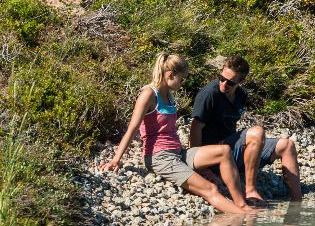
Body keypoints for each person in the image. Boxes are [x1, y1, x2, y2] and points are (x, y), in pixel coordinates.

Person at [99, 53, 257, 214]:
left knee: (224, 151)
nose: (183, 83)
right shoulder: (148, 94)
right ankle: (246, 218)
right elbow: (133, 128)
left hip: (179, 153)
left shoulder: (168, 95)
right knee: (210, 188)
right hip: (160, 157)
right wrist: (116, 160)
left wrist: (202, 168)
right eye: (182, 79)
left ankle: (242, 204)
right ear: (170, 75)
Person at [190, 55, 302, 204]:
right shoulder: (209, 94)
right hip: (213, 156)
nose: (224, 84)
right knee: (257, 132)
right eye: (221, 78)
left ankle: (297, 203)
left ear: (240, 82)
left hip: (231, 152)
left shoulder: (241, 95)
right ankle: (251, 190)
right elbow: (195, 128)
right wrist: (201, 168)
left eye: (230, 82)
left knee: (287, 145)